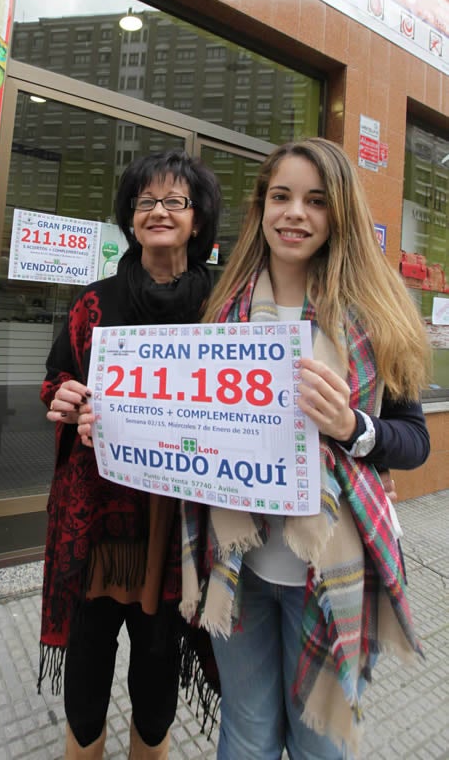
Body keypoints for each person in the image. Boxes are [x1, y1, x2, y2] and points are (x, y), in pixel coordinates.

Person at [180, 137, 430, 760]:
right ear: (261, 207)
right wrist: (108, 413)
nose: (295, 213)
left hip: (330, 569)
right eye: (281, 197)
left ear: (338, 212)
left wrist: (352, 427)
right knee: (246, 733)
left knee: (320, 744)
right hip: (237, 566)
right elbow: (177, 411)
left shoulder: (374, 313)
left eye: (315, 201)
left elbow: (413, 440)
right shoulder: (221, 308)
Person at [38, 149, 221, 759]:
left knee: (156, 681)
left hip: (177, 533)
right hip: (97, 524)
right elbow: (56, 377)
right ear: (130, 216)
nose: (159, 211)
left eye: (175, 201)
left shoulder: (224, 310)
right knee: (87, 683)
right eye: (146, 201)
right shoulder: (93, 302)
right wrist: (66, 399)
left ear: (198, 221)